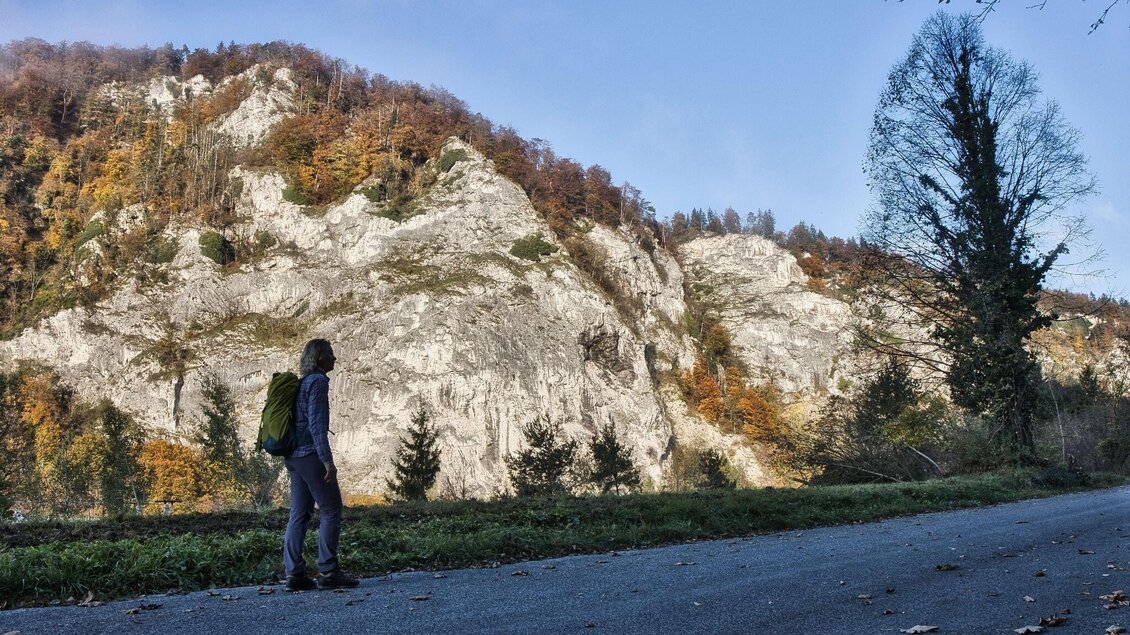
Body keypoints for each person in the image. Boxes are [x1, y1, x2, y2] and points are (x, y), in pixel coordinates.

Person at [283, 338, 359, 591]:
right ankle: (328, 571)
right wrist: (327, 460)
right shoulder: (317, 382)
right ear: (319, 358)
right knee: (331, 509)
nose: (334, 358)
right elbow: (316, 425)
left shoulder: (302, 382)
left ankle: (294, 574)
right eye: (330, 354)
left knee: (299, 513)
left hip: (293, 456)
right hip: (310, 455)